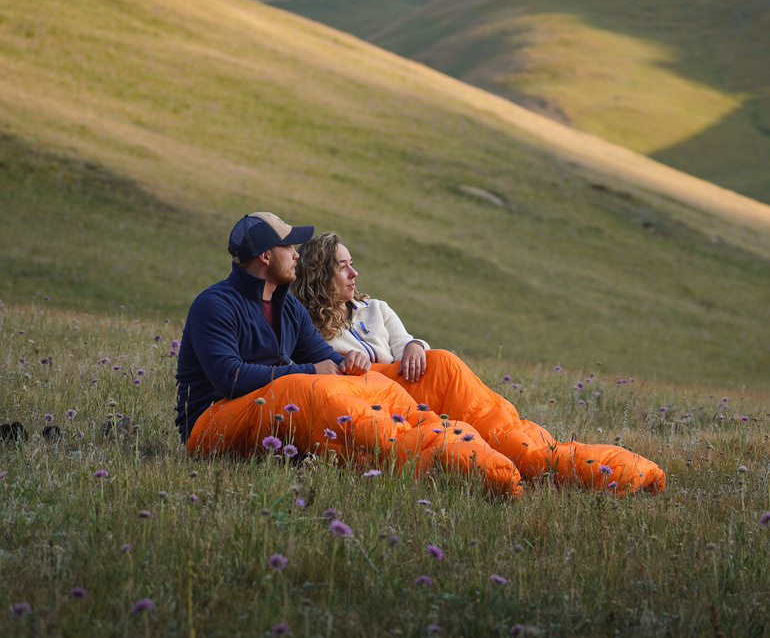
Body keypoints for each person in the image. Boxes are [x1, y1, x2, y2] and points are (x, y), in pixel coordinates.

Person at [175, 212, 524, 497]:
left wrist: (348, 362)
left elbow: (323, 356)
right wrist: (311, 370)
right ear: (266, 257)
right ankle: (435, 461)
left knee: (375, 380)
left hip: (272, 406)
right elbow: (229, 379)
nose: (297, 253)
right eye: (288, 246)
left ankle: (511, 451)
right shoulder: (215, 305)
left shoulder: (287, 308)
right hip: (212, 423)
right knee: (305, 389)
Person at [292, 232, 666, 495]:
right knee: (455, 443)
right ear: (320, 275)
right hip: (390, 409)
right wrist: (347, 363)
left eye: (353, 264)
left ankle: (554, 461)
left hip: (421, 387)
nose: (354, 274)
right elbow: (320, 375)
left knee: (499, 425)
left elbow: (405, 342)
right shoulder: (305, 326)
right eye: (343, 268)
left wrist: (418, 347)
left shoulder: (376, 309)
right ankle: (509, 472)